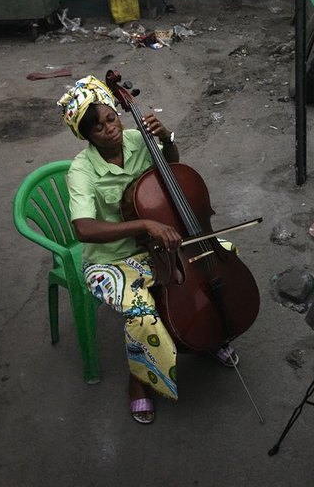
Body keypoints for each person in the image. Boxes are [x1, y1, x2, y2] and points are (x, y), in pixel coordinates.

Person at [58, 76, 241, 426]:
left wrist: (166, 137)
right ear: (86, 136)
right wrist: (144, 225)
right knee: (143, 313)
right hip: (110, 261)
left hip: (157, 247)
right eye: (98, 128)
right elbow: (83, 228)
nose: (109, 129)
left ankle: (207, 337)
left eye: (111, 118)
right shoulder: (81, 171)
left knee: (219, 259)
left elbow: (172, 168)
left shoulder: (136, 140)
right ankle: (139, 383)